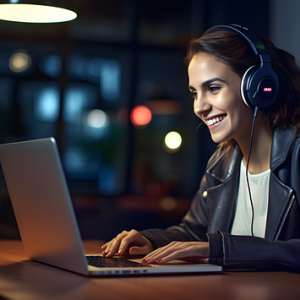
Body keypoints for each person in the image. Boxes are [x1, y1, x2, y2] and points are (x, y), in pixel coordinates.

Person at [101, 24, 300, 271]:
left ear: (258, 86)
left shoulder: (297, 153)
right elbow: (195, 231)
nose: (199, 107)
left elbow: (215, 246)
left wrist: (223, 249)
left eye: (213, 88)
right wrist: (151, 240)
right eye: (195, 93)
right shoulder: (222, 162)